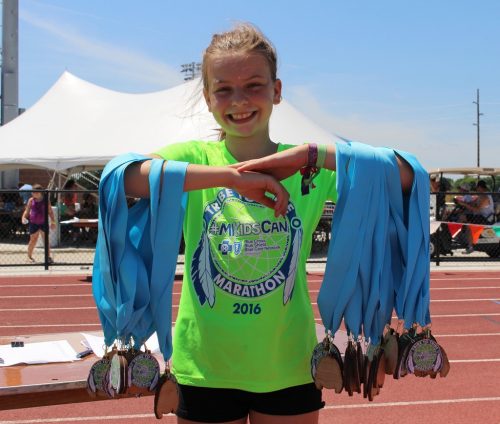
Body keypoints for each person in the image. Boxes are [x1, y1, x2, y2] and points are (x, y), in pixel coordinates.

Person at [121, 23, 414, 424]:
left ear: (277, 91)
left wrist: (310, 155)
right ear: (207, 98)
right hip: (206, 366)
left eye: (254, 85)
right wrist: (229, 177)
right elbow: (122, 178)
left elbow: (404, 175)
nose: (238, 100)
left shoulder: (308, 169)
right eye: (223, 88)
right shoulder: (192, 160)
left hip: (287, 364)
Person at [455, 180, 494, 253]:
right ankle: (458, 236)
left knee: (469, 225)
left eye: (477, 188)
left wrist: (464, 204)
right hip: (479, 216)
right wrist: (462, 203)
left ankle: (470, 246)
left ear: (480, 187)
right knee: (462, 217)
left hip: (485, 218)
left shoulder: (486, 197)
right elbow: (473, 203)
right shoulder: (481, 195)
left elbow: (477, 209)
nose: (476, 190)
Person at [21, 184, 56, 263]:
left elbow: (50, 211)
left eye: (35, 192)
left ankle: (48, 257)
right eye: (33, 192)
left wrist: (53, 222)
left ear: (40, 193)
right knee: (33, 240)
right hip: (33, 223)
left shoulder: (46, 200)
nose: (33, 194)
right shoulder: (31, 200)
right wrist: (23, 217)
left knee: (46, 240)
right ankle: (29, 257)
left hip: (43, 222)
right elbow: (27, 211)